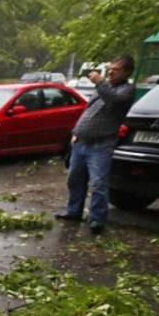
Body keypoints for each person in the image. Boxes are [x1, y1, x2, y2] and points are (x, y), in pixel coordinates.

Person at [56, 55, 136, 235]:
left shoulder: (127, 90)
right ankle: (73, 211)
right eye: (110, 68)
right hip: (81, 142)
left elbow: (113, 100)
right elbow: (88, 111)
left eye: (116, 70)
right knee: (75, 179)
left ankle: (97, 219)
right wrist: (76, 132)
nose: (111, 72)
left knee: (98, 183)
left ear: (127, 72)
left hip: (101, 145)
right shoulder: (102, 89)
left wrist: (100, 83)